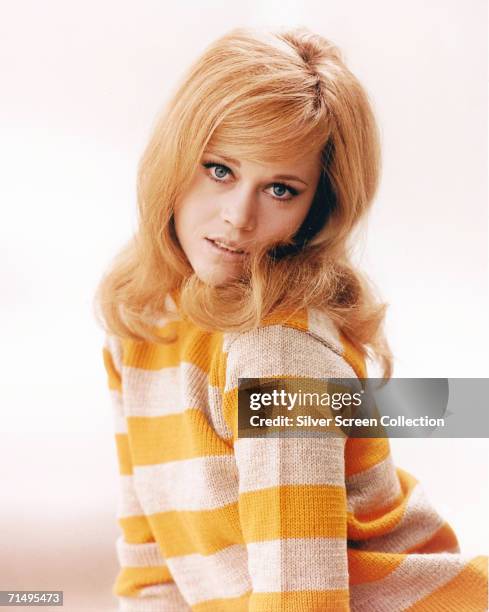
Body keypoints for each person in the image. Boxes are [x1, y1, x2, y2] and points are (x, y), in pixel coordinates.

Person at [95, 26, 488, 611]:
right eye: (220, 169)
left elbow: (301, 597)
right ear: (174, 157)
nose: (238, 218)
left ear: (315, 210)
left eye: (280, 188)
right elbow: (150, 574)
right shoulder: (142, 325)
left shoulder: (278, 349)